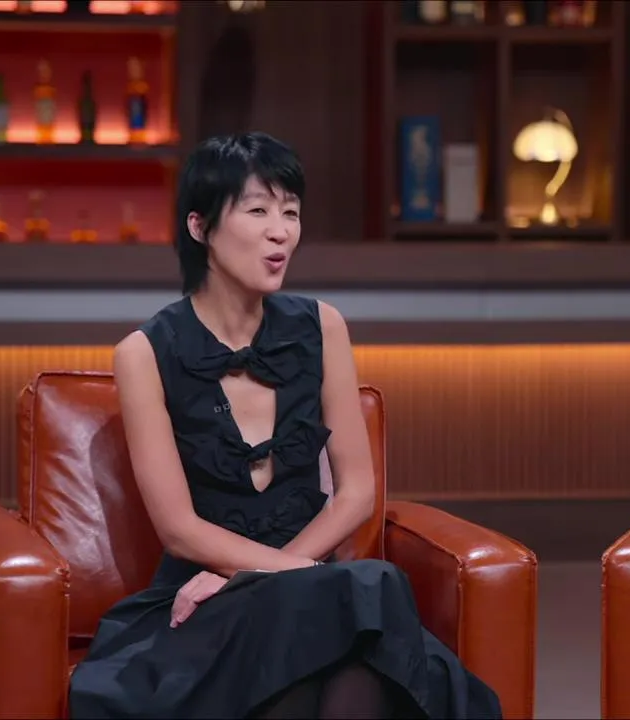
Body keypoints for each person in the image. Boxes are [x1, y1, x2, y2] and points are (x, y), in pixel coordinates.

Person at [67, 132, 503, 719]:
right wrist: (267, 579)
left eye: (291, 212)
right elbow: (179, 530)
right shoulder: (144, 353)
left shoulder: (323, 327)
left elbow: (357, 492)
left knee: (350, 643)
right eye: (258, 211)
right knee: (373, 595)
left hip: (311, 588)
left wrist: (277, 576)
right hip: (207, 597)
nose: (281, 232)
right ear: (200, 226)